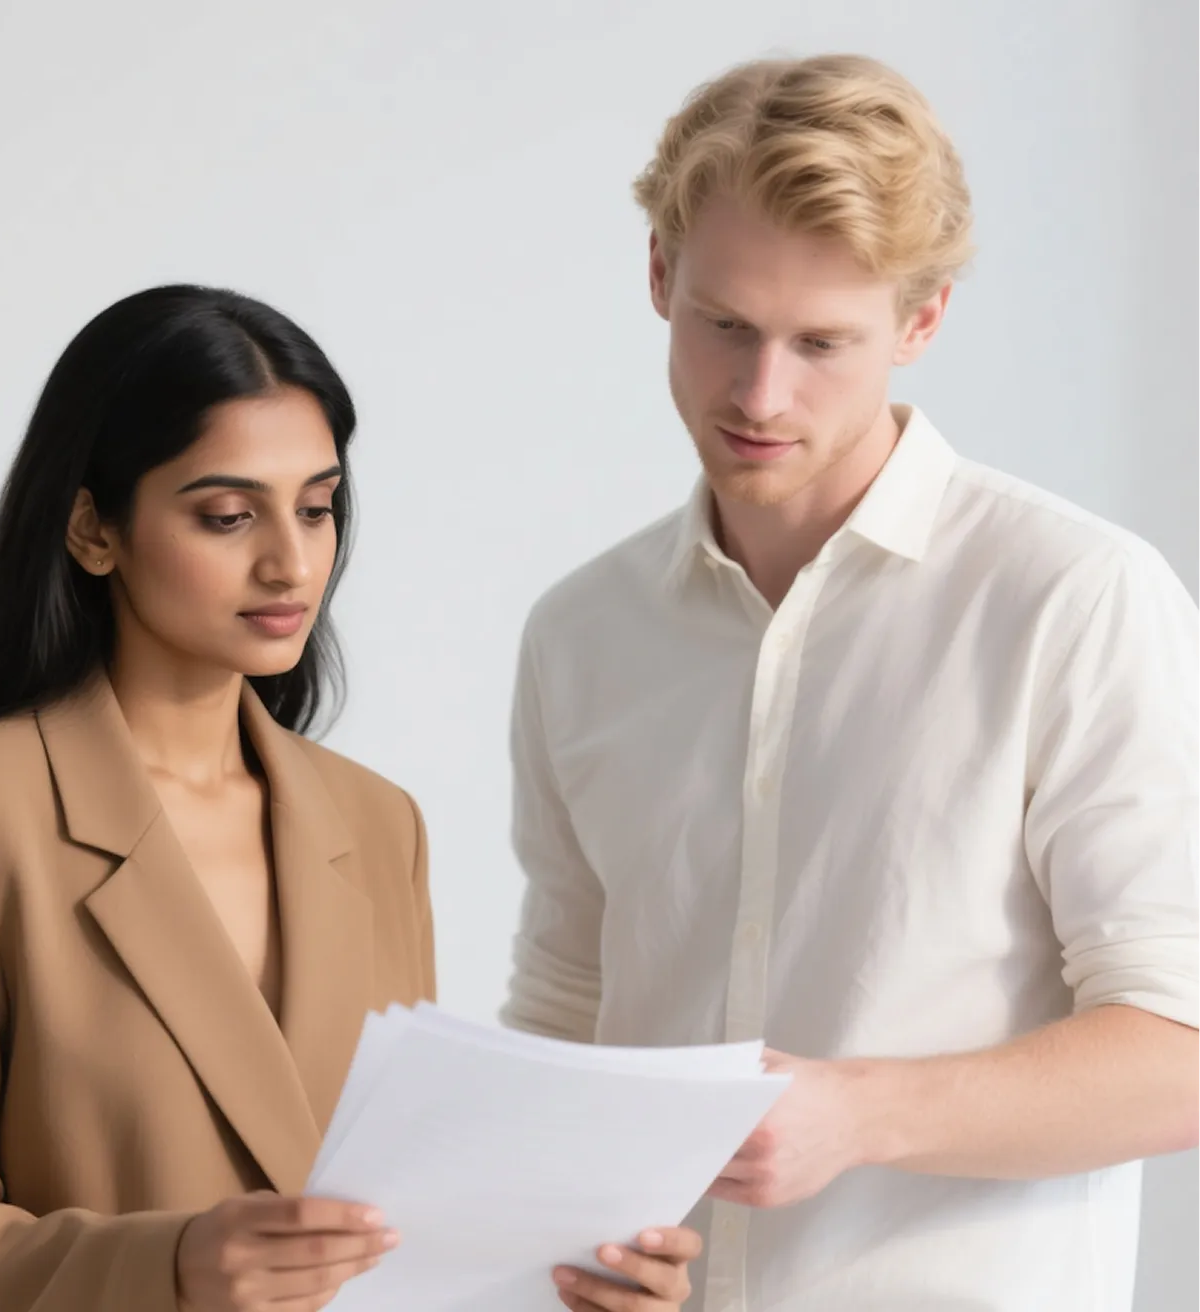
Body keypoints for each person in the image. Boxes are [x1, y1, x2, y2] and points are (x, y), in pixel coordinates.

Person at [0, 284, 700, 1312]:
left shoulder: (376, 824)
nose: (293, 561)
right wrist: (171, 1268)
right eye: (228, 515)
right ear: (93, 528)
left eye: (318, 507)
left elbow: (396, 1231)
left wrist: (566, 1281)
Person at [500, 52, 1200, 1312]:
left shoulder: (1074, 599)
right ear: (659, 276)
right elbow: (566, 1017)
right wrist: (563, 1242)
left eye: (823, 342)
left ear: (922, 322)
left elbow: (1182, 1053)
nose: (760, 396)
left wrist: (857, 1115)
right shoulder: (580, 634)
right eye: (724, 325)